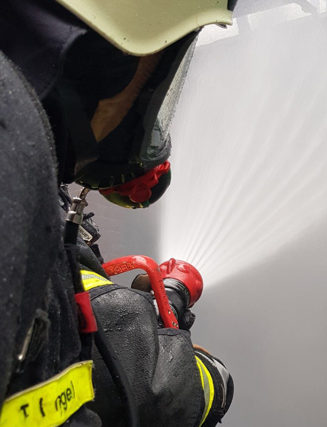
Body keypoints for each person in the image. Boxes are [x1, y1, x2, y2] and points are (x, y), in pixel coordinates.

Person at [0, 0, 236, 424]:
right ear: (108, 57)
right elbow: (133, 382)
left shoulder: (21, 154)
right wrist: (209, 380)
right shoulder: (12, 149)